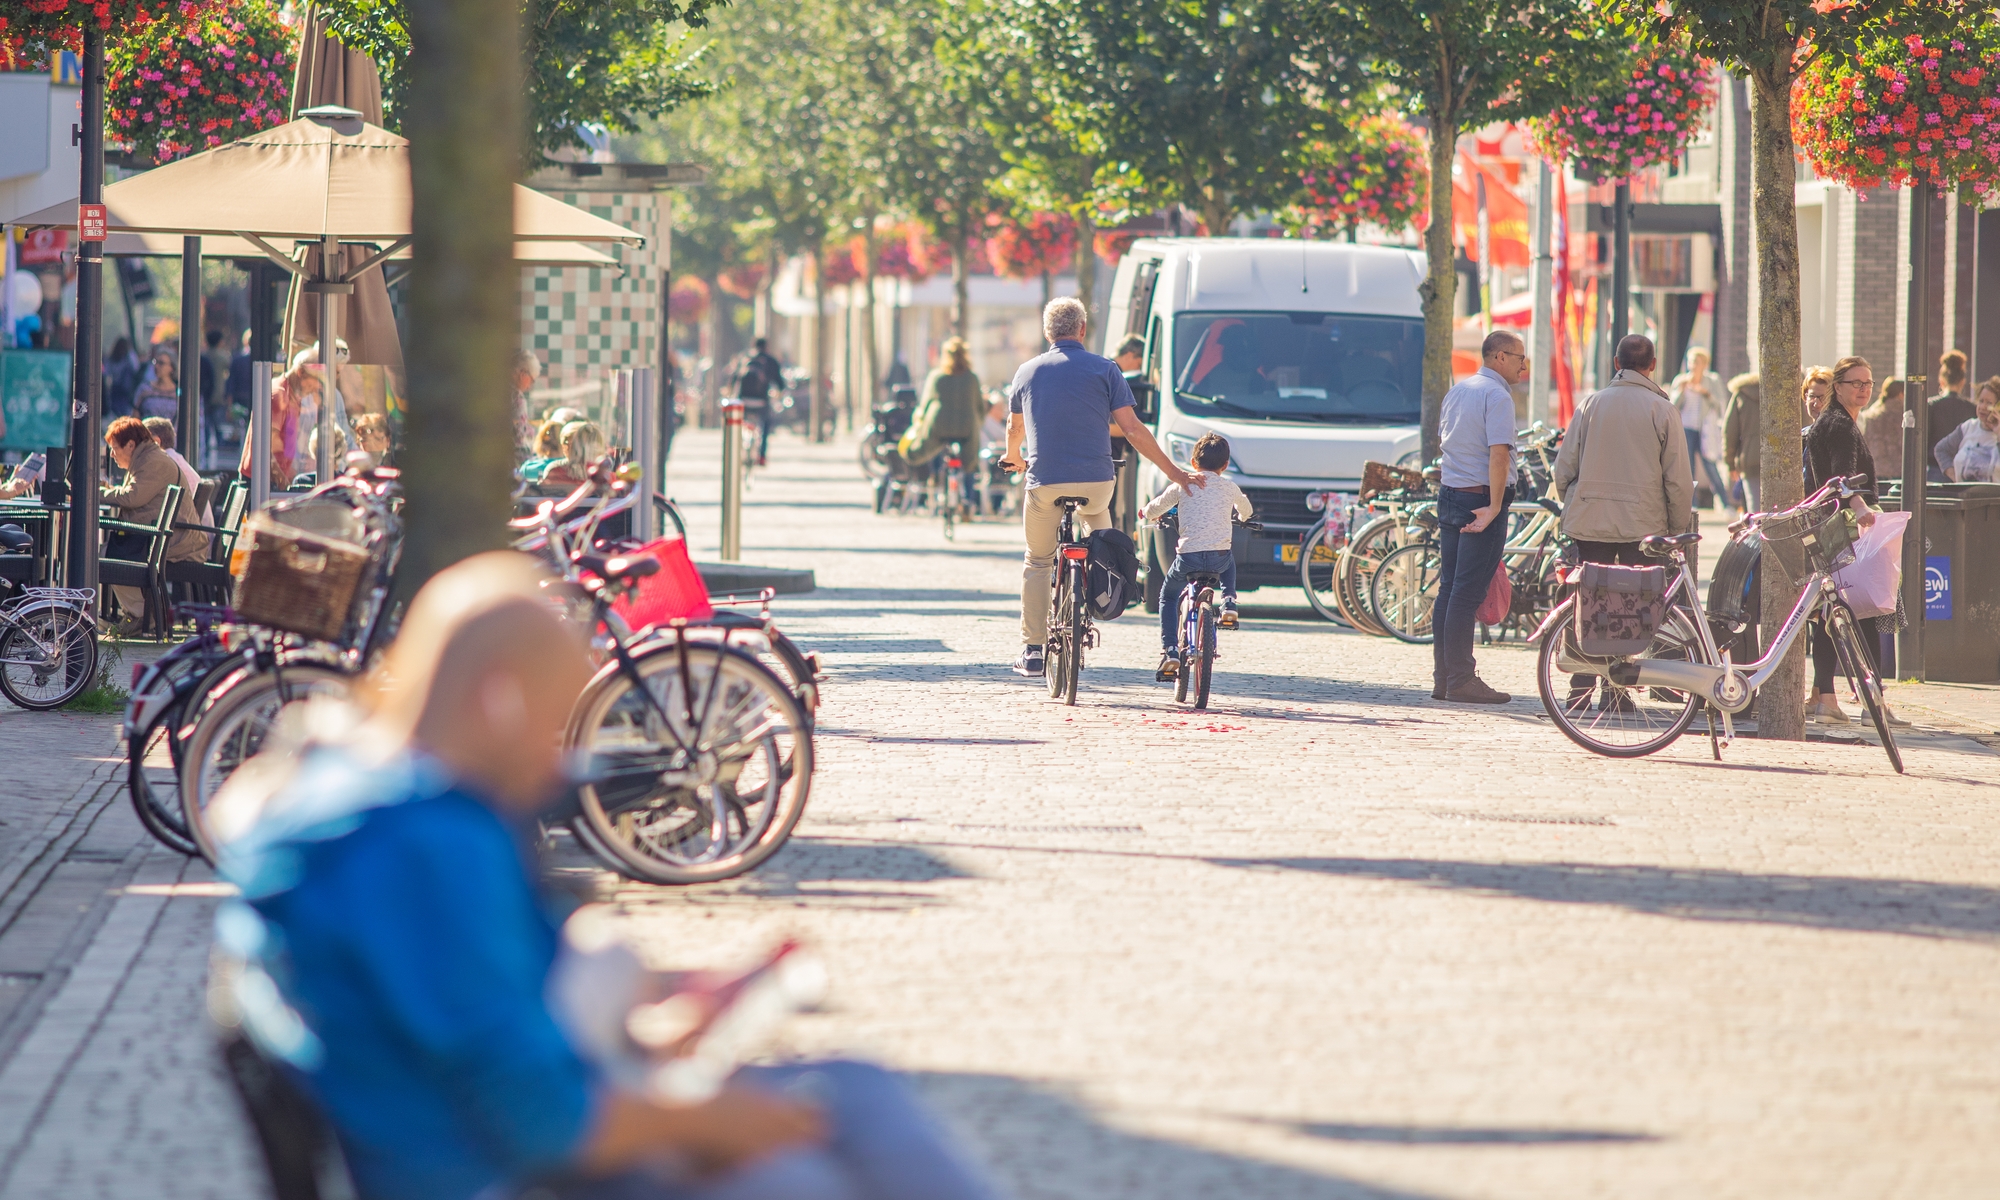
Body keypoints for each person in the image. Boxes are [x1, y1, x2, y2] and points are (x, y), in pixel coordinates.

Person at [208, 552, 1004, 1200]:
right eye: (556, 722)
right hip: (489, 1175)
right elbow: (542, 1121)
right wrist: (708, 1119)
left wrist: (654, 1030)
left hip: (473, 1145)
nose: (562, 761)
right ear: (500, 701)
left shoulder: (360, 802)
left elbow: (489, 1024)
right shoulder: (428, 845)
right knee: (803, 1168)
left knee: (850, 1098)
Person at [1000, 297, 1197, 678]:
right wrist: (1175, 472)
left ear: (1047, 332)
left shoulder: (1027, 371)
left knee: (1038, 560)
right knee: (1098, 537)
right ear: (1083, 330)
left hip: (1045, 482)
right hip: (1096, 483)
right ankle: (1093, 585)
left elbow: (1015, 428)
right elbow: (1134, 430)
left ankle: (1034, 649)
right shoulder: (1106, 369)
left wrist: (1015, 457)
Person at [1550, 334, 1694, 708]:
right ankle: (1617, 690)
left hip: (1591, 519)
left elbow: (1563, 468)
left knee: (1588, 601)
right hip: (1642, 525)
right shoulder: (1662, 410)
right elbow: (1677, 478)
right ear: (1652, 365)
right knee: (1630, 606)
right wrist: (1676, 529)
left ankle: (1580, 687)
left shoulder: (1590, 404)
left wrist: (1574, 501)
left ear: (1616, 363)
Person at [1430, 329, 1532, 705]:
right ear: (1500, 357)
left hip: (1452, 495)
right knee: (1466, 592)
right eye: (1521, 357)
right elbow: (1498, 454)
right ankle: (1459, 678)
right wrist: (1493, 506)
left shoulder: (1459, 389)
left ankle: (1445, 677)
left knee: (1450, 589)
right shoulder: (1496, 395)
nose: (1525, 365)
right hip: (1480, 499)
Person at [1805, 356, 1905, 726]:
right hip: (1848, 529)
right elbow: (1842, 477)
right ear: (1838, 386)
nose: (1863, 389)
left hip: (1833, 527)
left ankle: (1829, 700)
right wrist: (1860, 505)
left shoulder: (1836, 421)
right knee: (1865, 613)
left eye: (1868, 383)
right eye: (1855, 383)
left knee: (1838, 613)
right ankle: (1872, 703)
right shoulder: (1840, 426)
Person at [1142, 432, 1252, 679]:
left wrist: (1145, 513)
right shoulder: (1229, 486)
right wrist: (1244, 518)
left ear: (1193, 463)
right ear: (1225, 466)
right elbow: (1246, 509)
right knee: (1229, 562)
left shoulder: (1182, 485)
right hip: (1218, 557)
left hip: (1188, 558)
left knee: (1168, 596)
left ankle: (1170, 649)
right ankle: (1229, 602)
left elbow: (1155, 508)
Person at [101, 417, 208, 630]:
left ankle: (143, 617)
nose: (112, 455)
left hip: (176, 541)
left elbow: (133, 498)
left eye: (114, 448)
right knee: (108, 551)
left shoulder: (152, 461)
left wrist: (97, 492)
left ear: (131, 445)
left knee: (107, 556)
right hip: (164, 536)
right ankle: (139, 614)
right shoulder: (146, 458)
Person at [901, 337, 983, 470]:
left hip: (939, 427)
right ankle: (969, 485)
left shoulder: (937, 377)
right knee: (970, 464)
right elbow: (980, 407)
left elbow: (925, 404)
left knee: (930, 451)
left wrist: (918, 420)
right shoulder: (971, 378)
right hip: (966, 429)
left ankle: (935, 480)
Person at [239, 355, 317, 489]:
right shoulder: (279, 395)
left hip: (271, 478)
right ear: (301, 372)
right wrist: (283, 483)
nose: (314, 388)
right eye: (313, 382)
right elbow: (265, 447)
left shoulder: (292, 394)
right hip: (262, 481)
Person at [1669, 346, 1730, 514]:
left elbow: (1720, 405)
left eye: (1697, 362)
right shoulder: (1680, 380)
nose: (1693, 365)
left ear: (1704, 364)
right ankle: (1691, 504)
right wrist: (1680, 391)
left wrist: (1706, 393)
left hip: (1705, 430)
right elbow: (1672, 407)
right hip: (1686, 428)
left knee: (1710, 466)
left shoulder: (1712, 381)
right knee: (1688, 469)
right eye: (1691, 361)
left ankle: (1726, 504)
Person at [141, 416, 214, 526]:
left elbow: (142, 499)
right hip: (197, 534)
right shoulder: (177, 460)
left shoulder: (164, 464)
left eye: (140, 442)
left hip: (183, 536)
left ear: (156, 442)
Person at [1933, 376, 2000, 482]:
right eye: (1981, 401)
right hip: (1966, 497)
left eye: (1989, 403)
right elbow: (1940, 449)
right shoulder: (1968, 427)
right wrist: (1954, 476)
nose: (1982, 407)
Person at [1924, 349, 1975, 482]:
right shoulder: (1972, 408)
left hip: (1935, 469)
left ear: (1941, 380)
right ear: (1962, 381)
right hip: (1965, 471)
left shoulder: (1931, 406)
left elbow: (1923, 440)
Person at [1721, 373, 1762, 512]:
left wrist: (1730, 463)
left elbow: (1730, 431)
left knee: (1754, 509)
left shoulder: (1741, 394)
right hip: (1783, 458)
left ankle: (1757, 532)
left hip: (1750, 458)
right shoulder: (1785, 391)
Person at [741, 338, 784, 466]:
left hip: (743, 401)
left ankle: (738, 449)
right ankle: (762, 456)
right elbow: (780, 384)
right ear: (766, 347)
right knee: (765, 425)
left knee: (736, 422)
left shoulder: (745, 359)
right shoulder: (771, 361)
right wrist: (778, 394)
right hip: (761, 402)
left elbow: (734, 379)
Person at [1857, 377, 1906, 482]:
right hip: (1901, 471)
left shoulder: (1869, 415)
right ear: (1901, 394)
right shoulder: (1905, 416)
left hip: (1875, 471)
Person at [538, 420, 605, 491]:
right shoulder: (606, 476)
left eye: (567, 441)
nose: (564, 446)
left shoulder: (555, 471)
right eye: (564, 441)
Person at [511, 350, 541, 460]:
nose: (529, 386)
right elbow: (519, 438)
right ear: (523, 374)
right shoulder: (517, 399)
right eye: (532, 380)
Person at [135, 351, 180, 420]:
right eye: (155, 362)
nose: (156, 366)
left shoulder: (178, 392)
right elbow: (135, 414)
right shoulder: (145, 389)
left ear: (171, 367)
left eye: (161, 363)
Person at [104, 336, 141, 418]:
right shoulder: (125, 359)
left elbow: (107, 373)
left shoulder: (115, 359)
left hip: (120, 389)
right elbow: (136, 367)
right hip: (121, 389)